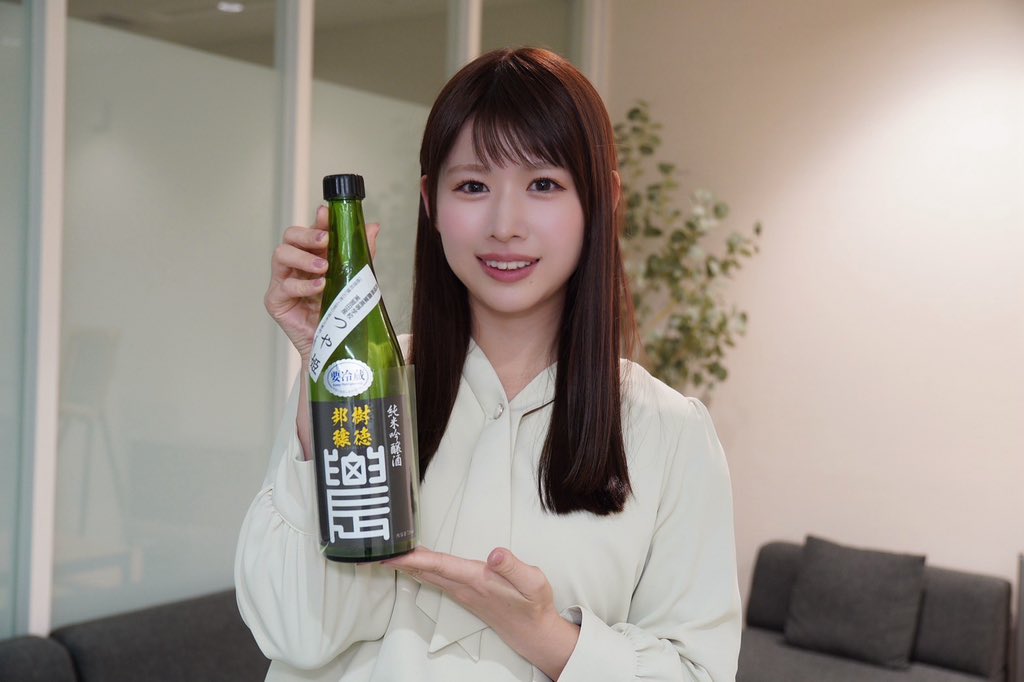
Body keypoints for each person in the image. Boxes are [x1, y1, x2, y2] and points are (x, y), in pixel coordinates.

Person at [235, 47, 741, 682]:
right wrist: (323, 364)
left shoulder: (669, 431)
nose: (505, 225)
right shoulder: (362, 385)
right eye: (473, 186)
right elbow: (294, 634)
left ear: (605, 199)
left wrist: (547, 636)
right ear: (431, 201)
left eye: (544, 184)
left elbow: (697, 672)